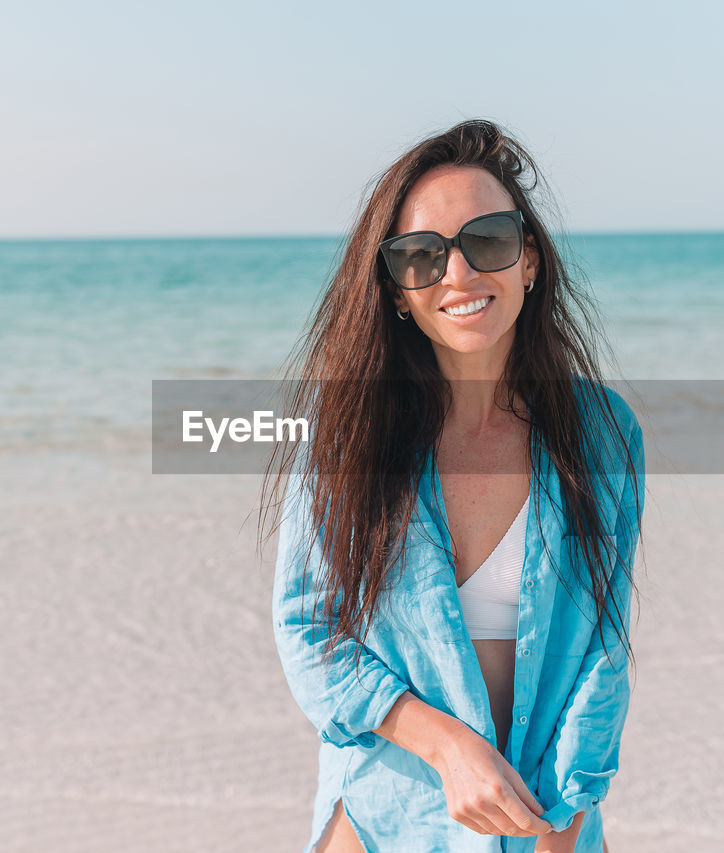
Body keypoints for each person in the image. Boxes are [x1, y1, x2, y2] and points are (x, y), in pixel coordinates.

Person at [262, 119, 646, 853]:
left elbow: (604, 652)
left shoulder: (602, 432)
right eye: (422, 256)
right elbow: (309, 630)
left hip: (543, 827)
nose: (459, 275)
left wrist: (558, 828)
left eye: (490, 240)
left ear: (529, 260)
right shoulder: (347, 434)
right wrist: (447, 746)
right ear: (398, 291)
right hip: (383, 821)